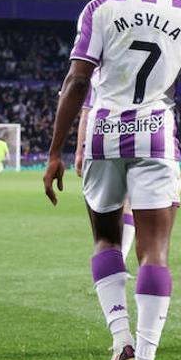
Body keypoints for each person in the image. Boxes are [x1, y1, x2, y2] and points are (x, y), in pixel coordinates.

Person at [43, 0, 181, 360]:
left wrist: (56, 151)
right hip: (156, 139)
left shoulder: (100, 9)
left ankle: (120, 337)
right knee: (154, 251)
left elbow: (77, 82)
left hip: (103, 135)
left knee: (105, 240)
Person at [76, 72, 135, 258]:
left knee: (105, 206)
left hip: (99, 140)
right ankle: (120, 257)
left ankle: (111, 260)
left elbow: (85, 115)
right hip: (136, 135)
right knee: (128, 204)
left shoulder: (93, 72)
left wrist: (79, 151)